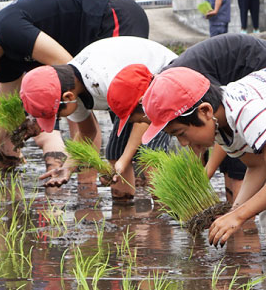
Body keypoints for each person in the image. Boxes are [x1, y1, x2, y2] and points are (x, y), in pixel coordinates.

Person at [0, 0, 148, 170]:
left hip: (109, 18)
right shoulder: (7, 56)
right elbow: (0, 115)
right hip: (87, 43)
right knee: (104, 114)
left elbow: (70, 70)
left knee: (125, 106)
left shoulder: (9, 28)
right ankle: (100, 188)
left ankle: (145, 179)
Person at [142, 65, 266, 256]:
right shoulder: (219, 125)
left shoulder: (246, 112)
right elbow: (257, 165)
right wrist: (234, 212)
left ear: (205, 111)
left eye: (180, 133)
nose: (182, 143)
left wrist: (238, 216)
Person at [109, 33, 266, 204]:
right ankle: (237, 214)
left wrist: (204, 175)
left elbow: (220, 121)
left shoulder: (180, 86)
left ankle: (243, 224)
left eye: (139, 119)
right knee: (238, 153)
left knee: (240, 163)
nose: (144, 123)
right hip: (240, 86)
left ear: (142, 102)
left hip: (262, 70)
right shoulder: (168, 89)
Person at [17, 36, 177, 193]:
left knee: (149, 158)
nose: (60, 119)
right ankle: (125, 211)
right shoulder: (71, 88)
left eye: (57, 115)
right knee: (114, 155)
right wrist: (67, 168)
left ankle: (160, 212)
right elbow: (87, 132)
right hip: (135, 99)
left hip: (164, 79)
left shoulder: (102, 78)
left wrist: (125, 159)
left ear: (67, 97)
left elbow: (143, 118)